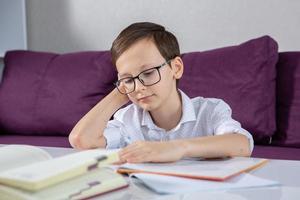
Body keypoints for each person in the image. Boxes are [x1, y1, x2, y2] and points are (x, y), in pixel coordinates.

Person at [69, 22, 253, 163]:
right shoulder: (127, 119)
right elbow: (81, 139)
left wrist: (178, 148)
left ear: (176, 68)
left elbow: (243, 144)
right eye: (128, 79)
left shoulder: (210, 111)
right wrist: (122, 90)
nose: (139, 87)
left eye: (148, 73)